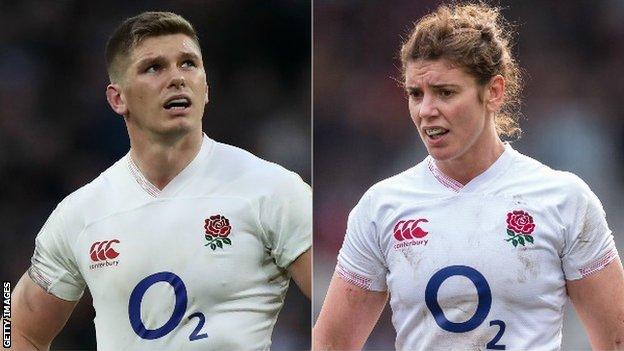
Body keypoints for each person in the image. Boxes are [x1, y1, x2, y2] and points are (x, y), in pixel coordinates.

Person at [313, 3, 624, 350]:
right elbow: (331, 344)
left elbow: (616, 340)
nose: (427, 110)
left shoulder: (564, 200)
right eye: (416, 94)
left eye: (445, 92)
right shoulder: (381, 206)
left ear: (493, 92)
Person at [10, 11, 311, 350]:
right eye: (154, 67)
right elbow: (12, 323)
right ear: (117, 98)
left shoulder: (273, 190)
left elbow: (339, 310)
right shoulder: (81, 213)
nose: (177, 78)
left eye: (188, 64)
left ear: (206, 87)